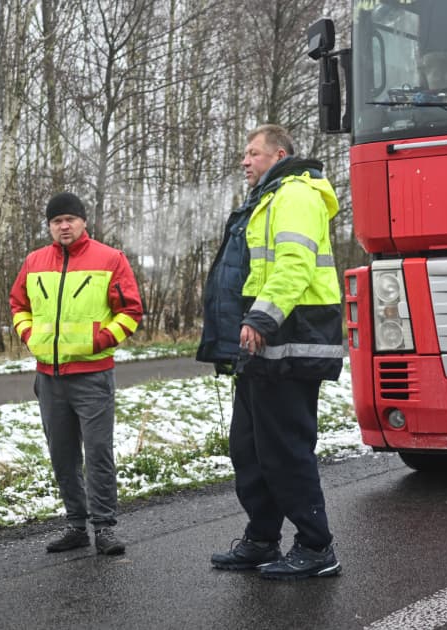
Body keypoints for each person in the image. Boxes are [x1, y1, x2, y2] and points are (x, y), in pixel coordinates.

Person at [198, 124, 345, 580]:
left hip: (290, 342)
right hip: (262, 347)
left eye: (253, 153)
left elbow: (294, 263)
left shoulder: (295, 195)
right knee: (249, 448)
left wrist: (262, 317)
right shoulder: (266, 199)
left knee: (284, 450)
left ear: (279, 154)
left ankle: (316, 547)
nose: (245, 161)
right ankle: (262, 540)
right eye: (244, 154)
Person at [9, 192, 143, 556]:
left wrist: (101, 339)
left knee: (98, 452)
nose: (63, 226)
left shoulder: (110, 259)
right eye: (56, 221)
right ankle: (75, 525)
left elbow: (131, 311)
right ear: (49, 226)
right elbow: (18, 304)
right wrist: (29, 335)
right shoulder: (34, 261)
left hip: (92, 375)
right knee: (62, 454)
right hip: (49, 377)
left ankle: (104, 527)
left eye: (70, 219)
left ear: (83, 221)